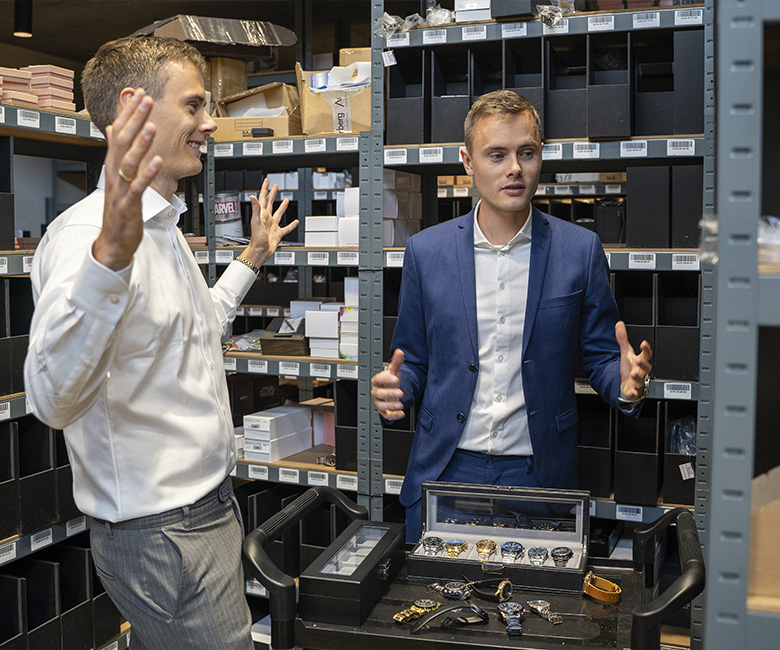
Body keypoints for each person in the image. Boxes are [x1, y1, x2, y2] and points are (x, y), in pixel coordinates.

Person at [24, 36, 297, 649]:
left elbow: (194, 330)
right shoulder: (86, 241)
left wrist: (251, 259)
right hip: (162, 535)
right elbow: (53, 400)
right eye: (195, 105)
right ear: (135, 108)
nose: (211, 122)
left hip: (204, 512)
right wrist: (109, 263)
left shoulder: (164, 227)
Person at [371, 90, 653, 543]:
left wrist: (623, 384)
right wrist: (394, 392)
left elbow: (602, 356)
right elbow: (413, 362)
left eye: (527, 153)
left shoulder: (578, 251)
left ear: (541, 155)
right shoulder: (427, 252)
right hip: (448, 468)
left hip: (540, 475)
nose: (514, 169)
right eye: (496, 155)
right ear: (467, 161)